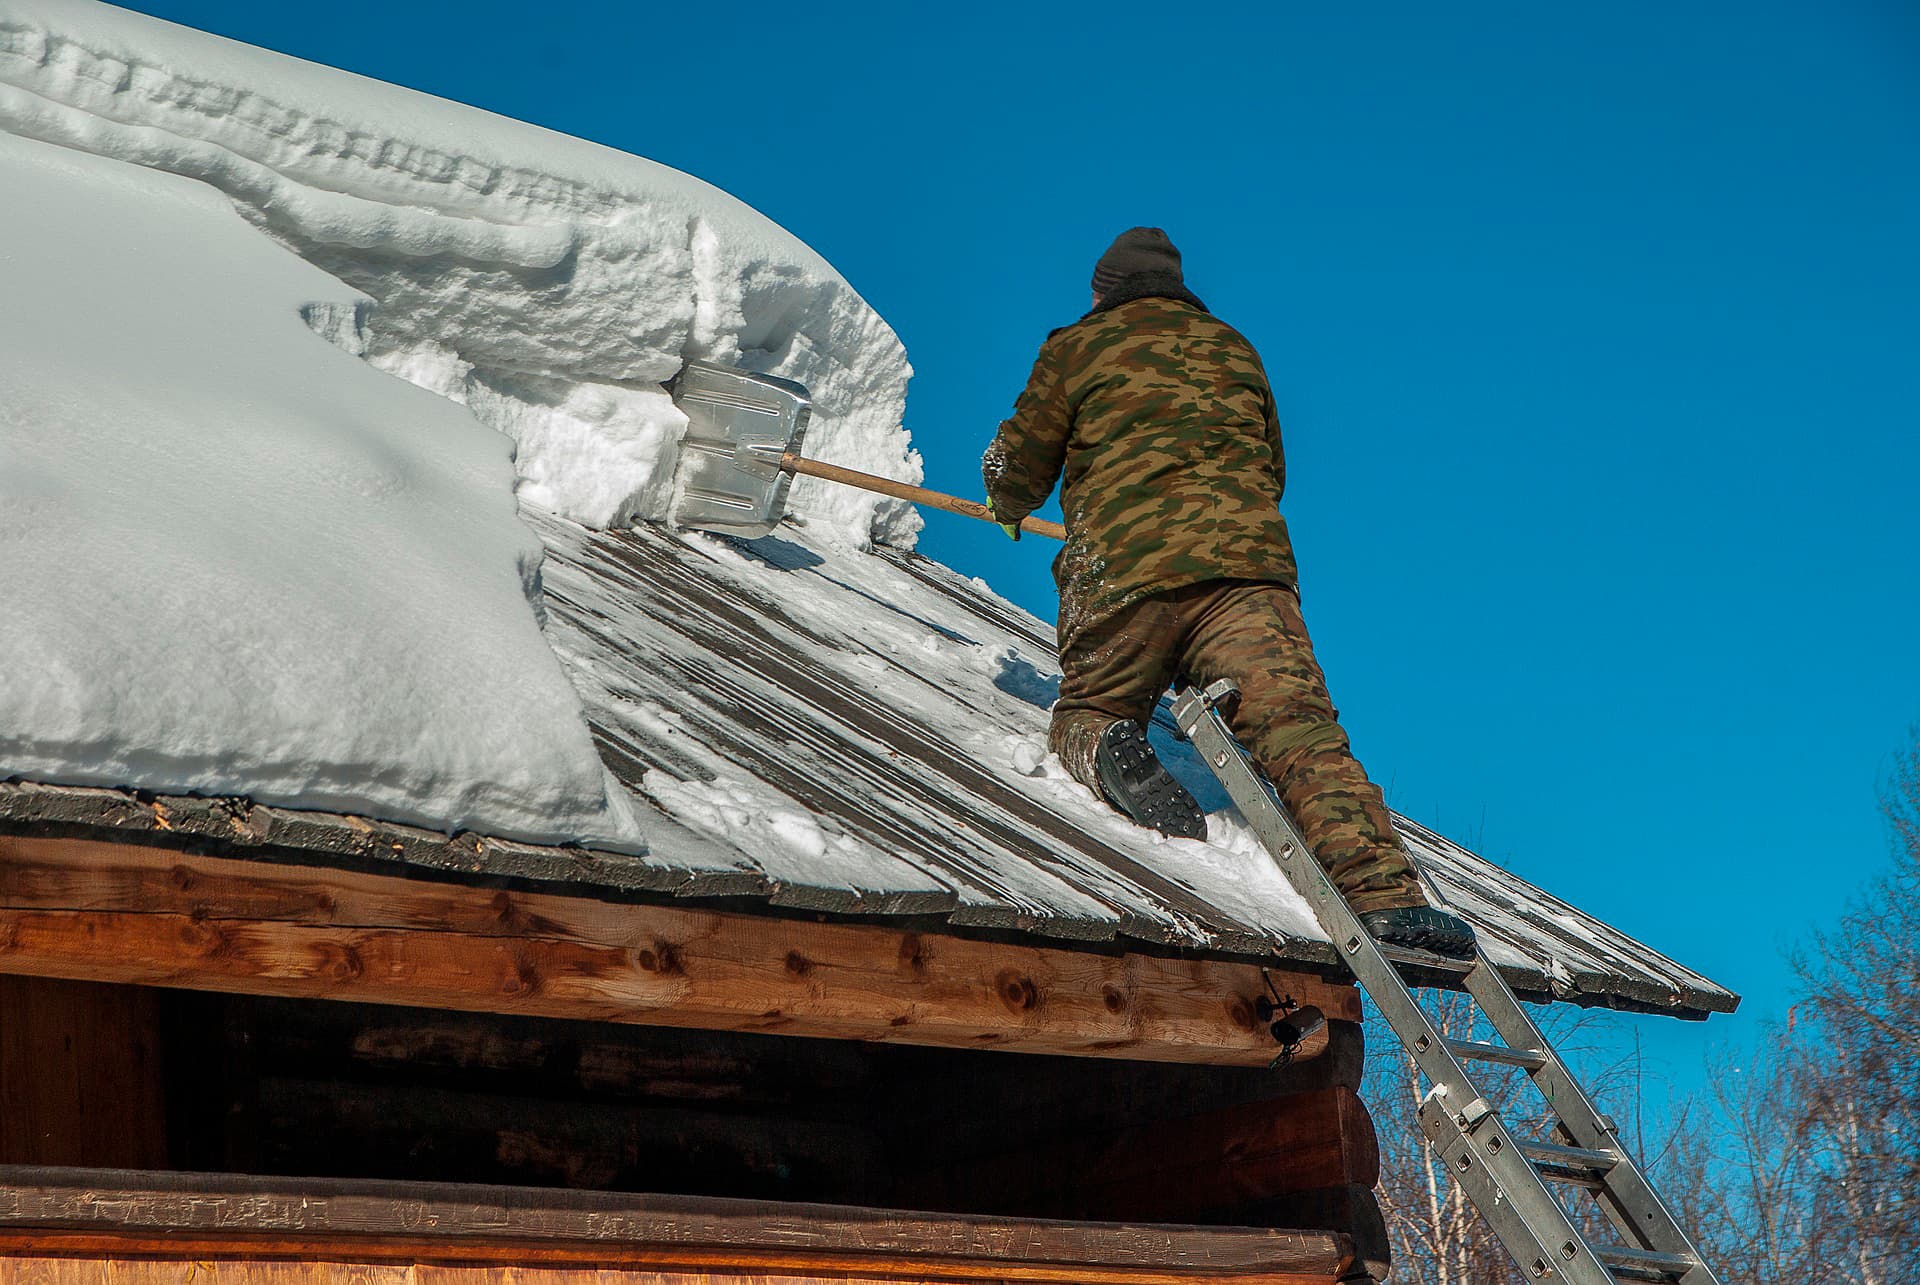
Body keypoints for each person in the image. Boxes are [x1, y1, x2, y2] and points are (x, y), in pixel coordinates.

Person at [982, 227, 1475, 957]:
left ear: (1103, 290)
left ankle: (1109, 743)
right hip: (1245, 573)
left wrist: (1006, 503)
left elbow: (1017, 465)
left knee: (1092, 704)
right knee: (1301, 731)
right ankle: (1385, 897)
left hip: (1124, 570)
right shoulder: (1235, 348)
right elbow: (1270, 469)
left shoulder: (1077, 346)